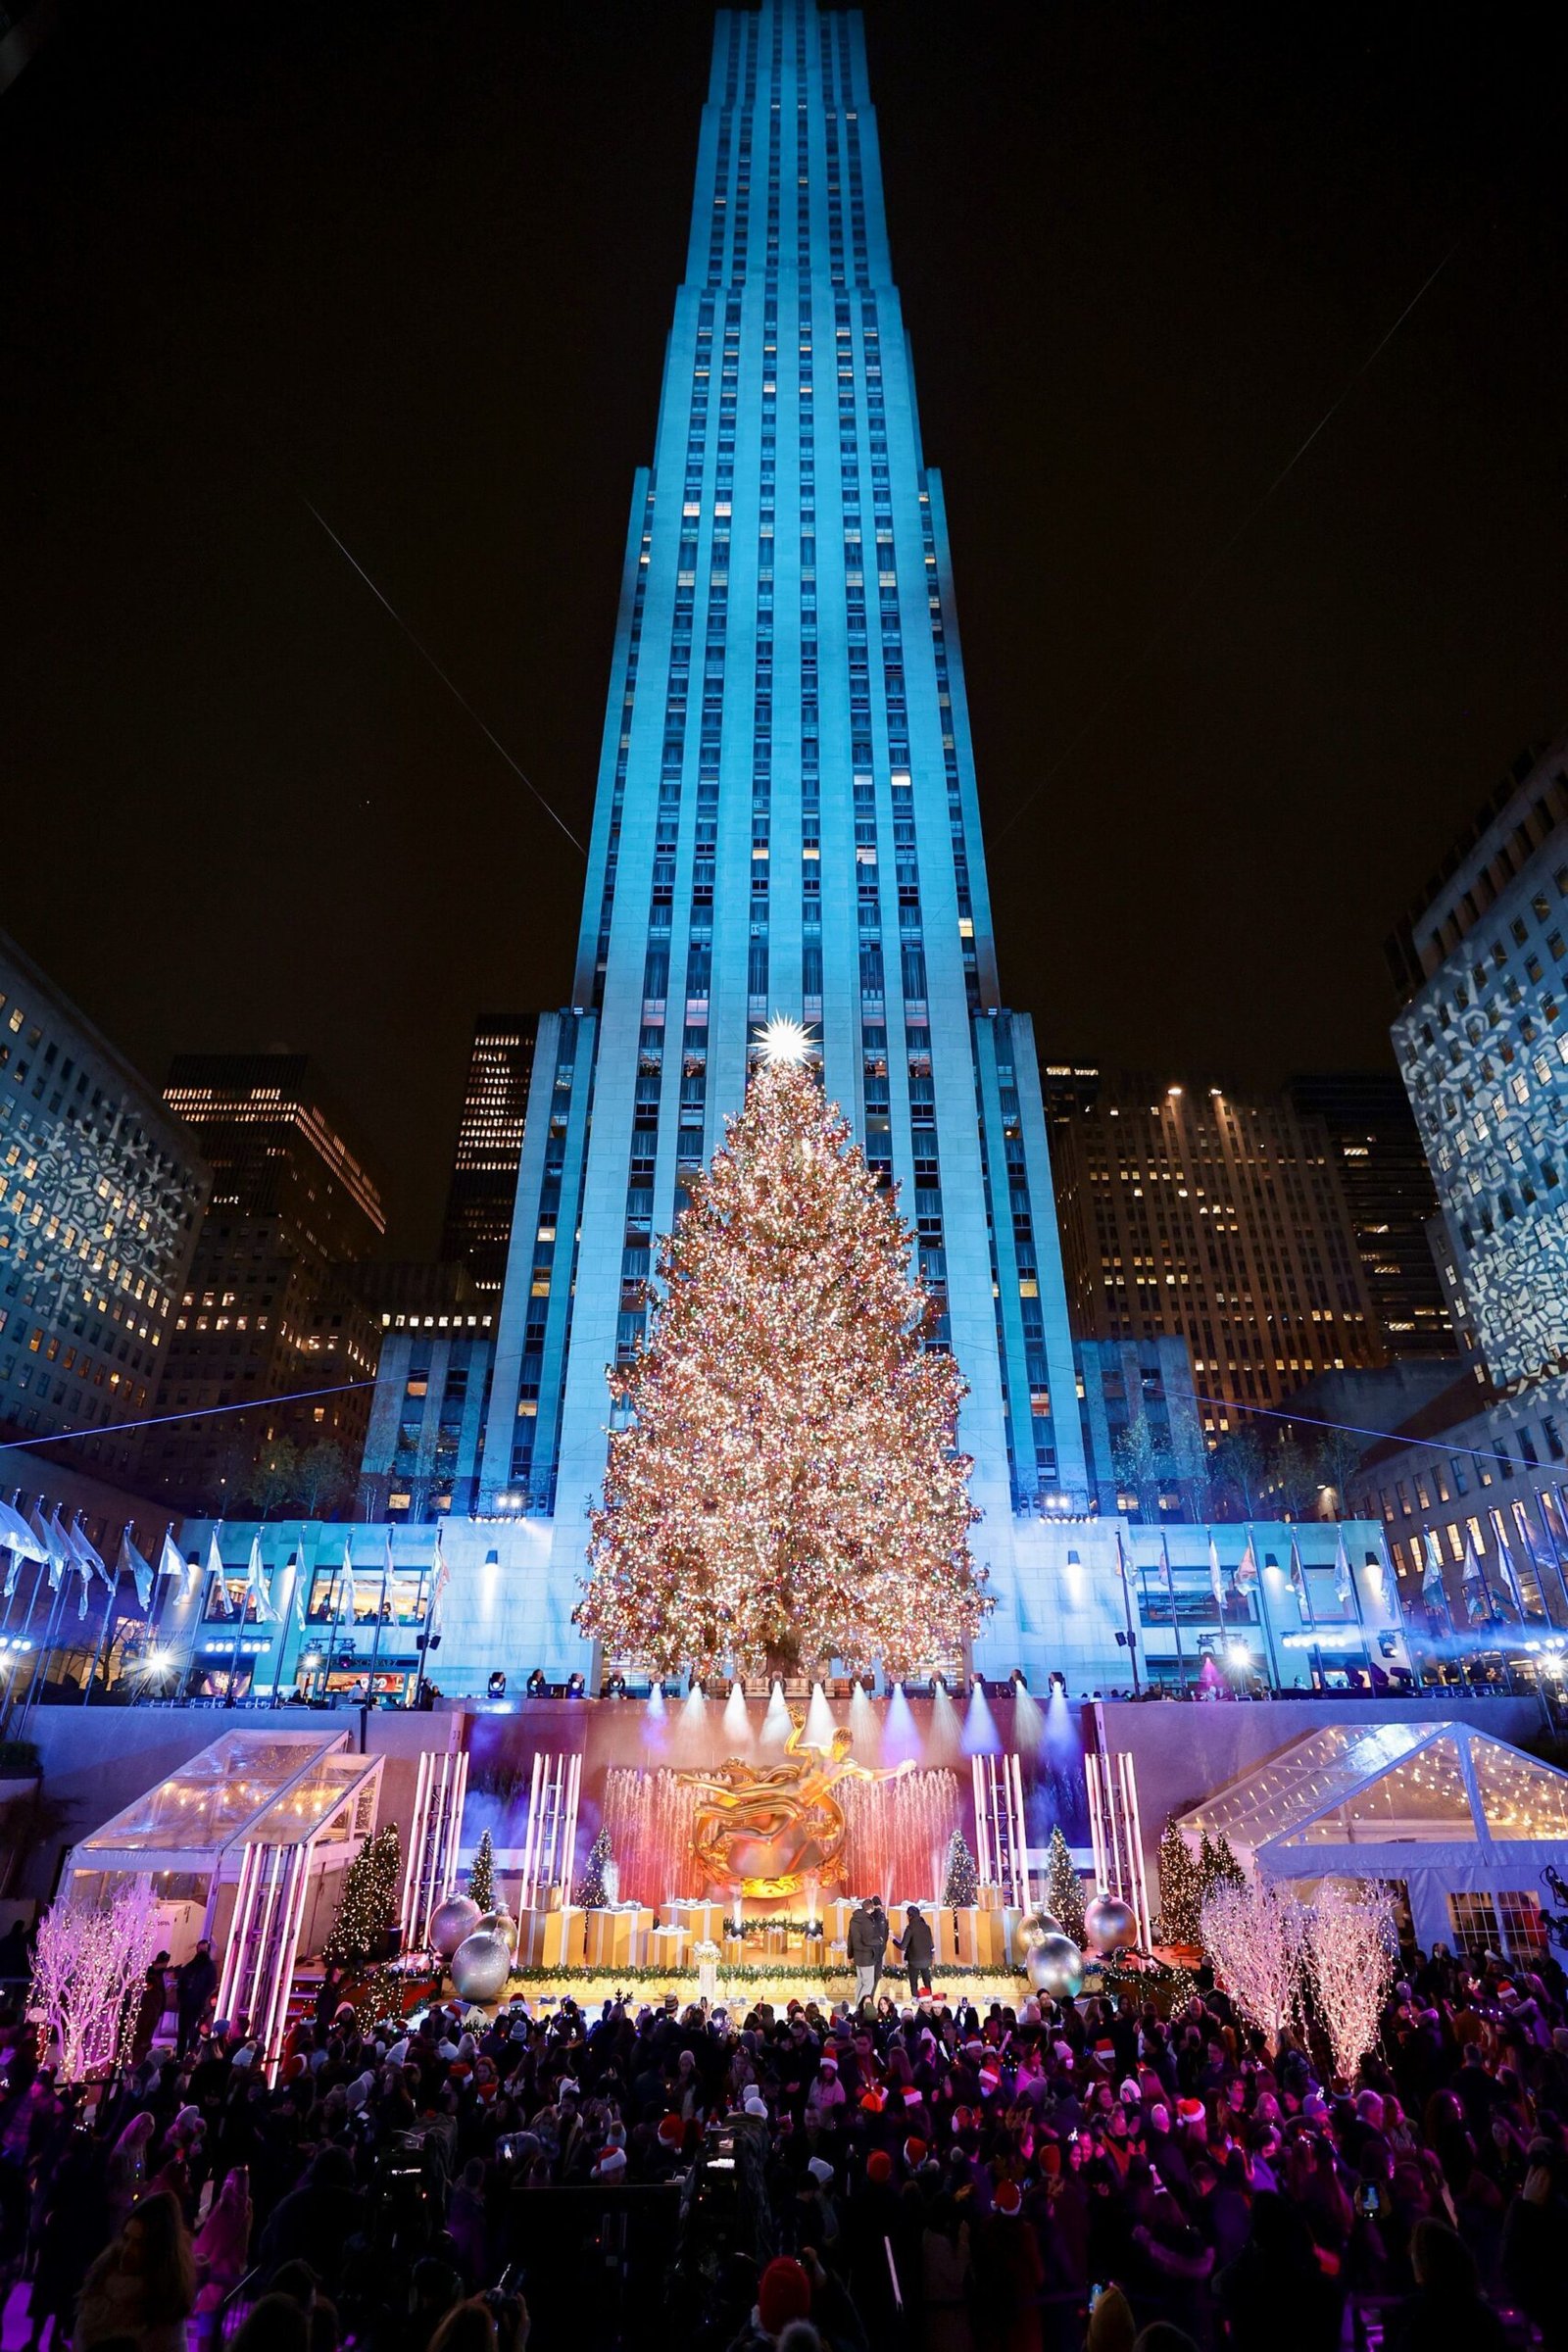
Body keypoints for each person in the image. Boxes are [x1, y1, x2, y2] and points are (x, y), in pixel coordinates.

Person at [74, 2187, 195, 2352]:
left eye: (139, 2244)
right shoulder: (99, 2282)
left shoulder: (165, 2311)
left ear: (157, 2251)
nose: (127, 2250)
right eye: (126, 2238)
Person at [174, 1941, 218, 2058]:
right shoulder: (193, 1966)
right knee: (186, 2030)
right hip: (190, 2004)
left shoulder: (204, 1967)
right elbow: (182, 1983)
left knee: (193, 2030)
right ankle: (183, 2054)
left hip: (197, 2004)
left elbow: (210, 1985)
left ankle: (188, 2053)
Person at [131, 1954, 172, 2065]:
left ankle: (140, 2055)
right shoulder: (151, 1975)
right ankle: (138, 2057)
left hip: (153, 2009)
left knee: (145, 2033)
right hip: (148, 2010)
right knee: (142, 2033)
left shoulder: (159, 1974)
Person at [893, 1903, 934, 1998]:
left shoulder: (910, 1928)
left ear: (909, 1916)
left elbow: (902, 1946)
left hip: (914, 1961)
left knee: (913, 1980)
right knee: (926, 1980)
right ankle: (929, 1997)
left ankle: (915, 1998)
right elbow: (931, 1945)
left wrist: (894, 1940)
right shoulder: (926, 1927)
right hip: (927, 1960)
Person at [848, 1899, 881, 2008]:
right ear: (870, 1908)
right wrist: (879, 1940)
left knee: (860, 1983)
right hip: (867, 1957)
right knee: (868, 1984)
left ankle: (857, 2006)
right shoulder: (867, 1921)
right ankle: (860, 2008)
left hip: (857, 1956)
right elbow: (867, 1940)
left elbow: (850, 1938)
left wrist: (850, 1954)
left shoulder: (854, 1919)